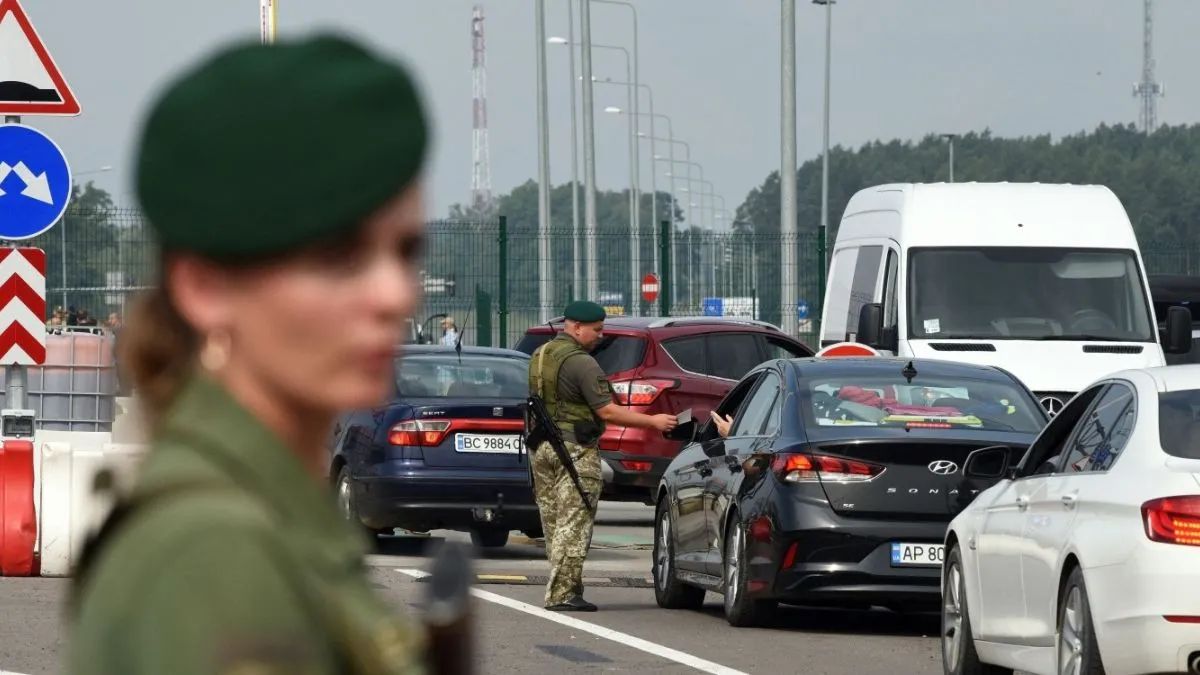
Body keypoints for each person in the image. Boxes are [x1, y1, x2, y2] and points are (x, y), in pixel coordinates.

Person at [68, 35, 431, 675]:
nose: (396, 294)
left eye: (404, 251)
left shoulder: (268, 511)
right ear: (206, 286)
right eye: (337, 258)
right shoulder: (214, 555)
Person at [528, 301, 677, 612]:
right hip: (573, 450)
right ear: (576, 327)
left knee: (554, 522)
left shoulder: (540, 354)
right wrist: (654, 421)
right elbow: (606, 410)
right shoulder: (582, 362)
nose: (600, 335)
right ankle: (562, 594)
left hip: (542, 447)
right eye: (596, 330)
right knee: (575, 519)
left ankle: (564, 586)